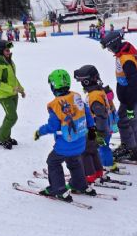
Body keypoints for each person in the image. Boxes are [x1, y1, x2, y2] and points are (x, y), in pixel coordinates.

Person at [34, 69, 96, 201]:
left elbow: (53, 126)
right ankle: (79, 185)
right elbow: (87, 113)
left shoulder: (55, 105)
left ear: (53, 86)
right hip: (80, 141)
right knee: (73, 160)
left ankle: (58, 189)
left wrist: (40, 132)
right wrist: (91, 128)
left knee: (53, 161)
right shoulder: (76, 96)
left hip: (66, 143)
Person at [100, 30, 137, 162]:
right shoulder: (123, 54)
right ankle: (136, 147)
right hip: (131, 98)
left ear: (114, 45)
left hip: (132, 100)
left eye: (109, 48)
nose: (109, 51)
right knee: (130, 122)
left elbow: (133, 84)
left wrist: (130, 104)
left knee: (124, 122)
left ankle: (130, 149)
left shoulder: (126, 60)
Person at [73, 65, 118, 174]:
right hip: (104, 127)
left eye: (82, 82)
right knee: (99, 148)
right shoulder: (99, 91)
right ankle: (103, 164)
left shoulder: (94, 96)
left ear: (86, 82)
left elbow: (100, 115)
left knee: (101, 147)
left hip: (101, 128)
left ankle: (107, 165)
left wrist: (100, 133)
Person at [0, 40, 25, 149]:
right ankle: (1, 139)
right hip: (4, 96)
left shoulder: (8, 60)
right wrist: (11, 90)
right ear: (1, 51)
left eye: (9, 49)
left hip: (13, 94)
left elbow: (13, 78)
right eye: (6, 50)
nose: (9, 51)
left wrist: (20, 89)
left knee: (9, 117)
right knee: (12, 117)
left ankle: (6, 137)